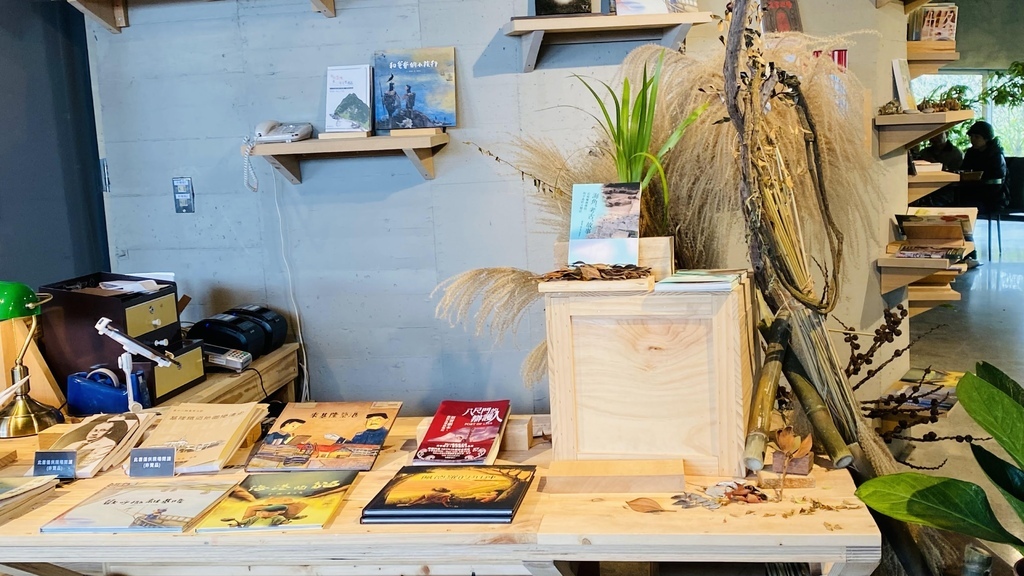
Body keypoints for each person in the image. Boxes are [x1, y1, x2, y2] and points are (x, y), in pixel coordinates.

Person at [325, 412, 391, 445]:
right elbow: (354, 446)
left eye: (378, 419)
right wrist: (339, 439)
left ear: (386, 420)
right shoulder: (360, 434)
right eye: (370, 420)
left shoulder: (386, 434)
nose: (373, 422)